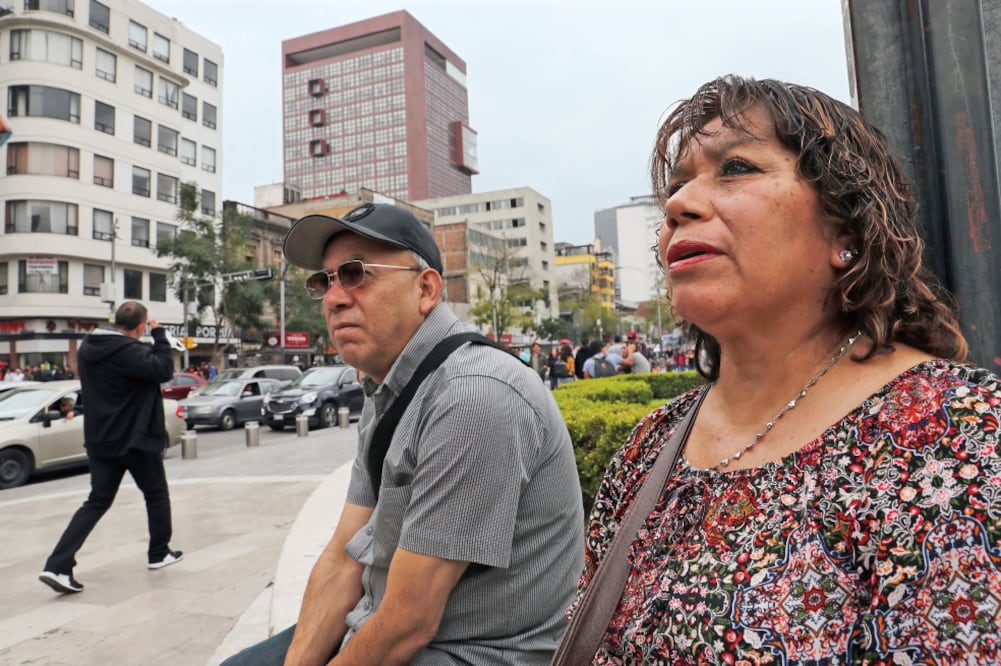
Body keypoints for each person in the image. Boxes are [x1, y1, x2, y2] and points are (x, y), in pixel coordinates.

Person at [565, 75, 1001, 662]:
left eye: (737, 168)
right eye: (676, 185)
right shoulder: (650, 447)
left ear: (848, 230)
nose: (676, 205)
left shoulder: (961, 437)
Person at [223, 202, 584, 665]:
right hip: (385, 624)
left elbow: (409, 621)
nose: (333, 299)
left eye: (355, 274)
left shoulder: (473, 395)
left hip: (468, 651)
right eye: (324, 281)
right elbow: (342, 559)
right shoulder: (386, 389)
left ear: (427, 288)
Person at [39, 301, 181, 595]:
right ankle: (159, 553)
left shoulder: (88, 348)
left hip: (101, 439)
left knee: (96, 501)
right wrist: (160, 337)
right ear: (141, 326)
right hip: (136, 439)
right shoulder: (133, 352)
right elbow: (163, 369)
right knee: (156, 494)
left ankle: (58, 564)